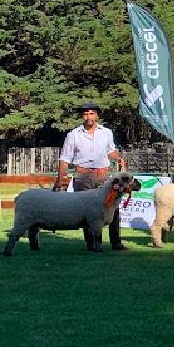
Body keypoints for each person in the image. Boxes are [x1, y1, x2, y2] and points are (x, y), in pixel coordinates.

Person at [54, 102, 128, 250]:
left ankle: (116, 243)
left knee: (112, 207)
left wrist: (118, 158)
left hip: (104, 177)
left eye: (92, 113)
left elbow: (110, 151)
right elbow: (65, 159)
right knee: (85, 210)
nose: (89, 117)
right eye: (86, 114)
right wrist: (60, 180)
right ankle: (91, 244)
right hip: (82, 176)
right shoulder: (73, 135)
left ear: (97, 115)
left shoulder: (106, 132)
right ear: (82, 116)